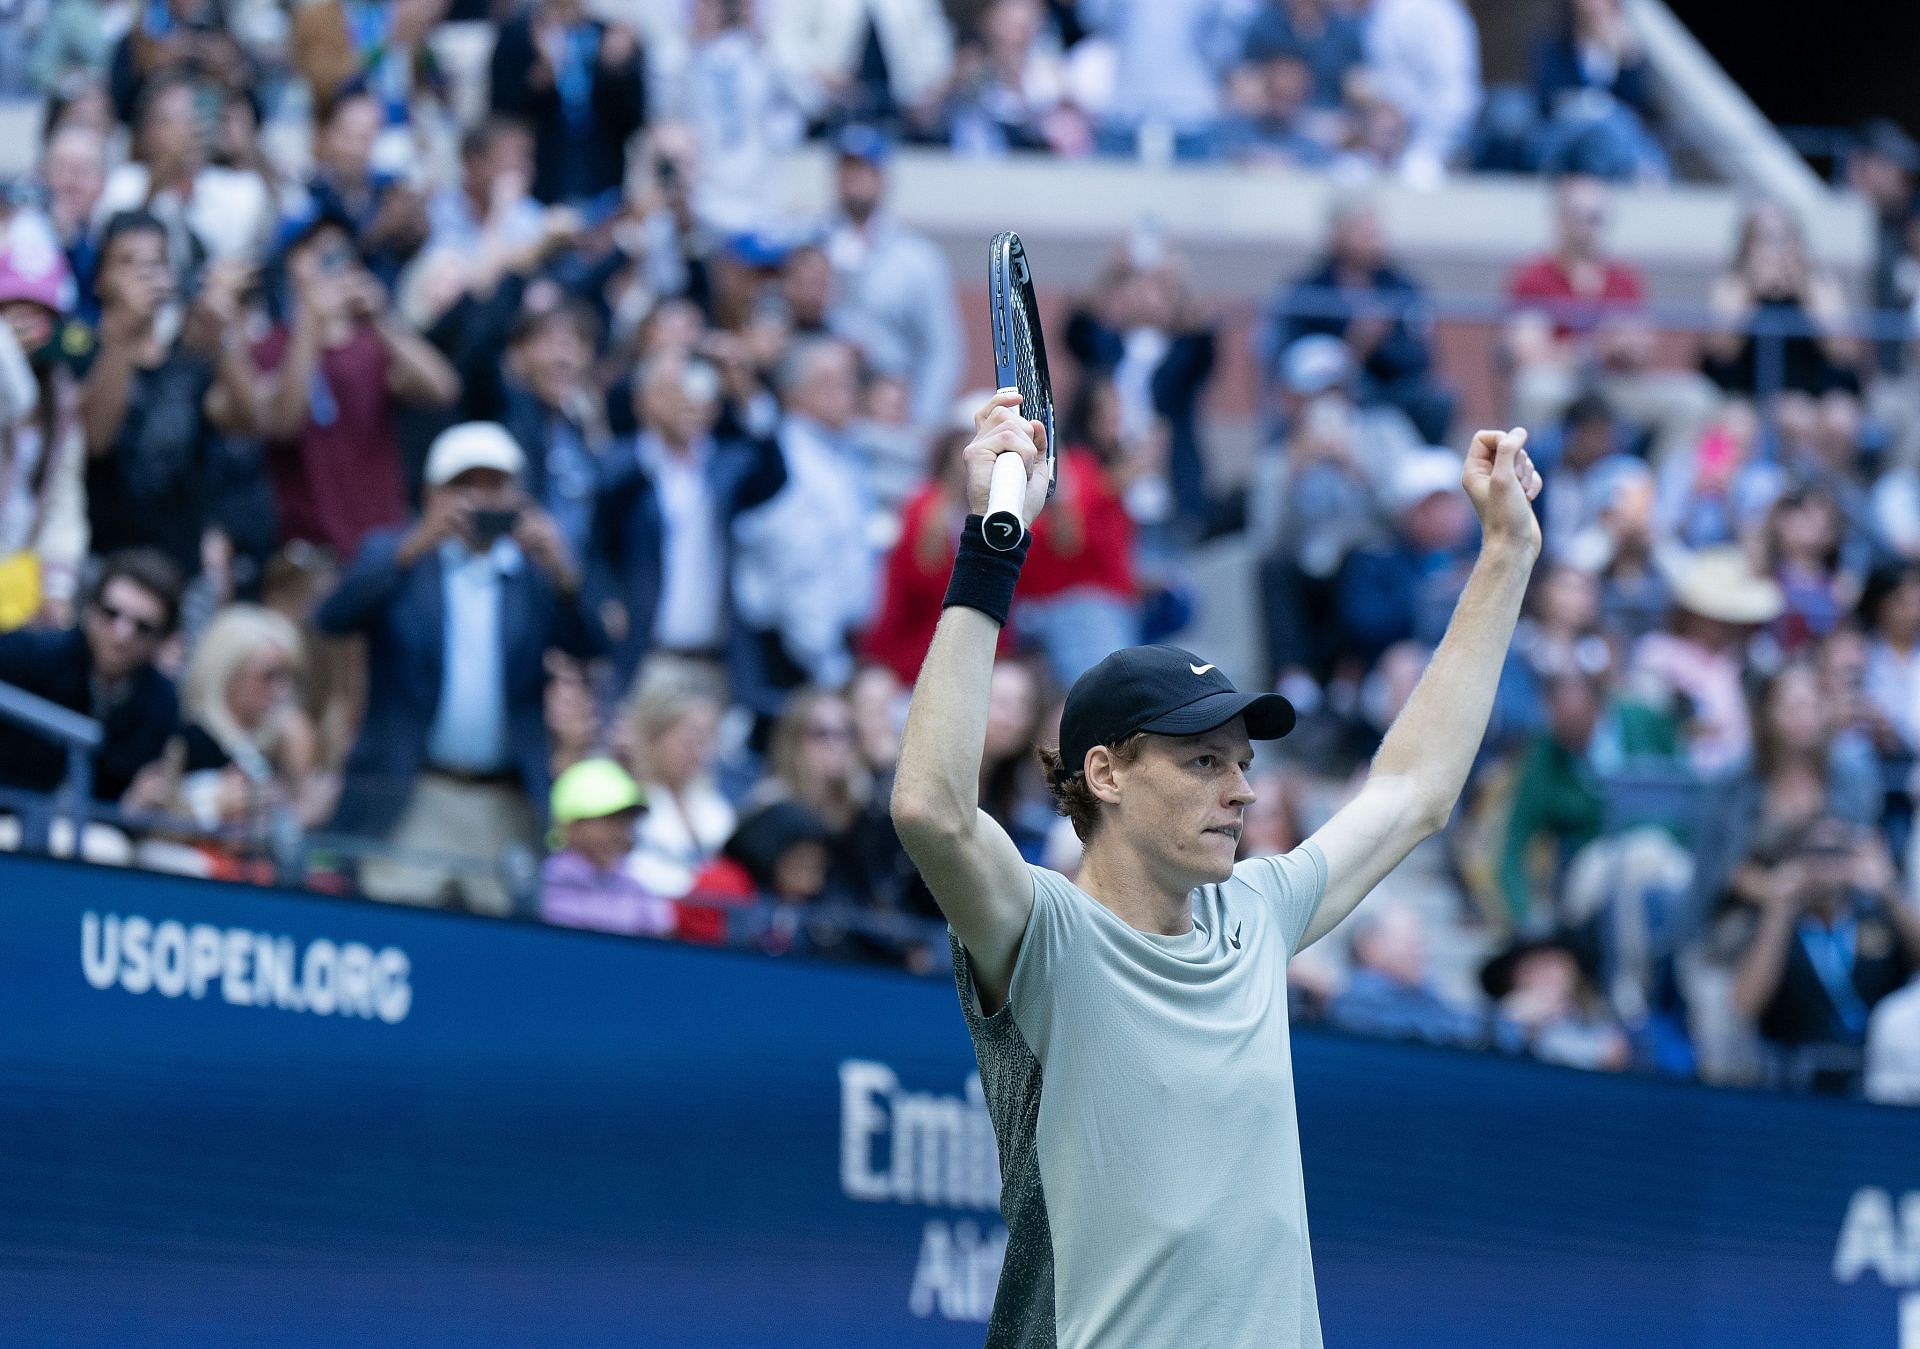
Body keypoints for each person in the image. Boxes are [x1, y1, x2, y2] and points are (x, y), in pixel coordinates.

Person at [889, 388, 1543, 1346]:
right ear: (1103, 773)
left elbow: (1415, 791)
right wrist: (996, 544)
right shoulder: (1044, 934)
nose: (1238, 790)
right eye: (1202, 761)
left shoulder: (1257, 910)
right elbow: (930, 810)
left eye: (1243, 763)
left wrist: (1506, 555)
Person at [316, 422, 608, 915]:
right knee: (396, 926)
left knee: (495, 952)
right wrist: (415, 544)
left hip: (502, 801)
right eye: (465, 486)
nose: (480, 499)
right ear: (434, 492)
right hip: (414, 793)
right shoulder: (398, 557)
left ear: (518, 495)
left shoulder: (534, 575)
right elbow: (333, 617)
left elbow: (591, 645)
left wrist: (563, 572)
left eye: (495, 486)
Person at [256, 208, 462, 563]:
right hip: (307, 551)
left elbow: (442, 390)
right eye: (313, 252)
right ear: (289, 264)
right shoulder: (268, 347)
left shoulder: (371, 344)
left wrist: (382, 319)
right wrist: (310, 320)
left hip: (382, 544)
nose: (327, 264)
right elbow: (282, 424)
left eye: (337, 253)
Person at [79, 210, 258, 581]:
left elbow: (253, 422)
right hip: (103, 569)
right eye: (128, 262)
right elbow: (95, 439)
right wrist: (124, 332)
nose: (146, 275)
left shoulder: (189, 360)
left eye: (156, 262)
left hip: (181, 570)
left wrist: (221, 339)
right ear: (101, 280)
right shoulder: (82, 352)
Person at [1724, 815, 1920, 1093]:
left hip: (1878, 1069)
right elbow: (1745, 1005)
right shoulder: (1773, 925)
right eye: (1815, 853)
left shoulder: (1879, 918)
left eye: (1837, 852)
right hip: (1795, 1077)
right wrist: (1779, 909)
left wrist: (1889, 890)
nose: (1827, 865)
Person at [0, 549, 183, 804]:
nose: (122, 634)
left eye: (142, 626)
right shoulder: (29, 655)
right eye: (111, 613)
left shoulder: (160, 702)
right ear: (89, 609)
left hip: (95, 831)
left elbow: (125, 797)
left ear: (161, 639)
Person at [821, 126, 961, 431]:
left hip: (889, 407)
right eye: (847, 169)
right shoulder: (814, 245)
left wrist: (923, 423)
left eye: (863, 169)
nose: (854, 179)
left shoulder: (918, 259)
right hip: (823, 407)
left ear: (882, 177)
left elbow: (941, 349)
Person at [488, 0, 648, 206]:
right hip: (539, 182)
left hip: (603, 178)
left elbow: (635, 120)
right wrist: (540, 77)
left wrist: (617, 72)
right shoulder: (518, 35)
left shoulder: (612, 38)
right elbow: (500, 118)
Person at [539, 756, 676, 937]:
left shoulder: (636, 887)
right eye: (609, 821)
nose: (620, 834)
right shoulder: (545, 886)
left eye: (626, 823)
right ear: (571, 826)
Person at [1325, 902, 1485, 1047]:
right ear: (1370, 948)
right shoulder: (1358, 999)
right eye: (1411, 944)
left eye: (1421, 944)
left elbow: (1461, 1022)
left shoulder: (1420, 991)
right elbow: (1421, 1032)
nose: (1421, 953)